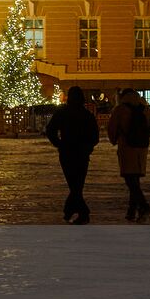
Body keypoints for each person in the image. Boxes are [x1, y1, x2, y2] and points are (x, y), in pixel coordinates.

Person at [45, 85, 99, 224]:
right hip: (81, 153)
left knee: (74, 185)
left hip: (67, 152)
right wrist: (88, 147)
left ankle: (77, 212)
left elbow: (50, 130)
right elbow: (95, 136)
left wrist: (59, 144)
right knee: (77, 184)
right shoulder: (86, 114)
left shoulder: (62, 112)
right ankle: (75, 212)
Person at [106, 87, 150, 222]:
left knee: (130, 181)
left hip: (126, 148)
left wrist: (115, 140)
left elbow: (111, 128)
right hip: (141, 149)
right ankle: (131, 211)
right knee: (134, 180)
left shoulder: (120, 110)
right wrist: (142, 135)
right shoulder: (145, 109)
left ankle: (144, 206)